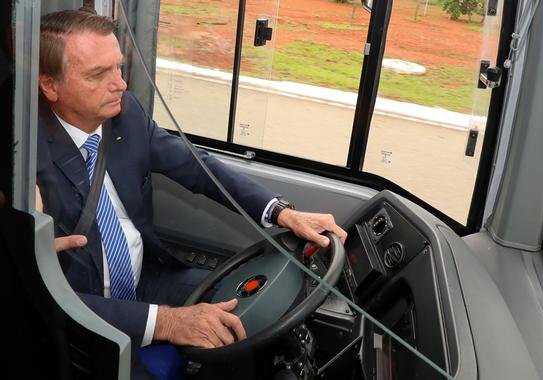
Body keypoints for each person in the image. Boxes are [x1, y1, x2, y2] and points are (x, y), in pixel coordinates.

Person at [36, 8, 347, 378]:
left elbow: (198, 169)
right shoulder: (23, 157)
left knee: (249, 310)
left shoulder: (126, 114)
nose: (120, 84)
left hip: (141, 278)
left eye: (118, 67)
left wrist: (282, 212)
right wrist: (167, 323)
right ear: (49, 85)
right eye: (98, 74)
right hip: (80, 313)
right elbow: (37, 296)